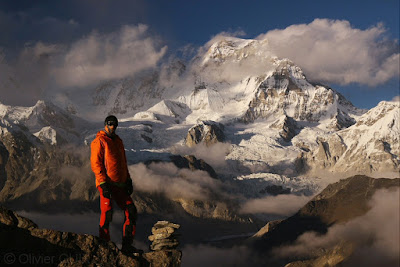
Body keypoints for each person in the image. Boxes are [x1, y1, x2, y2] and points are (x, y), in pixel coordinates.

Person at [90, 115, 140, 254]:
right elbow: (96, 163)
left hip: (120, 184)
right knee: (107, 212)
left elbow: (123, 163)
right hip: (106, 183)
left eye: (115, 125)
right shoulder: (99, 141)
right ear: (106, 124)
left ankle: (127, 245)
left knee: (131, 210)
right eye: (111, 124)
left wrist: (128, 179)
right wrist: (103, 182)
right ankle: (104, 245)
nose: (113, 127)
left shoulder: (118, 141)